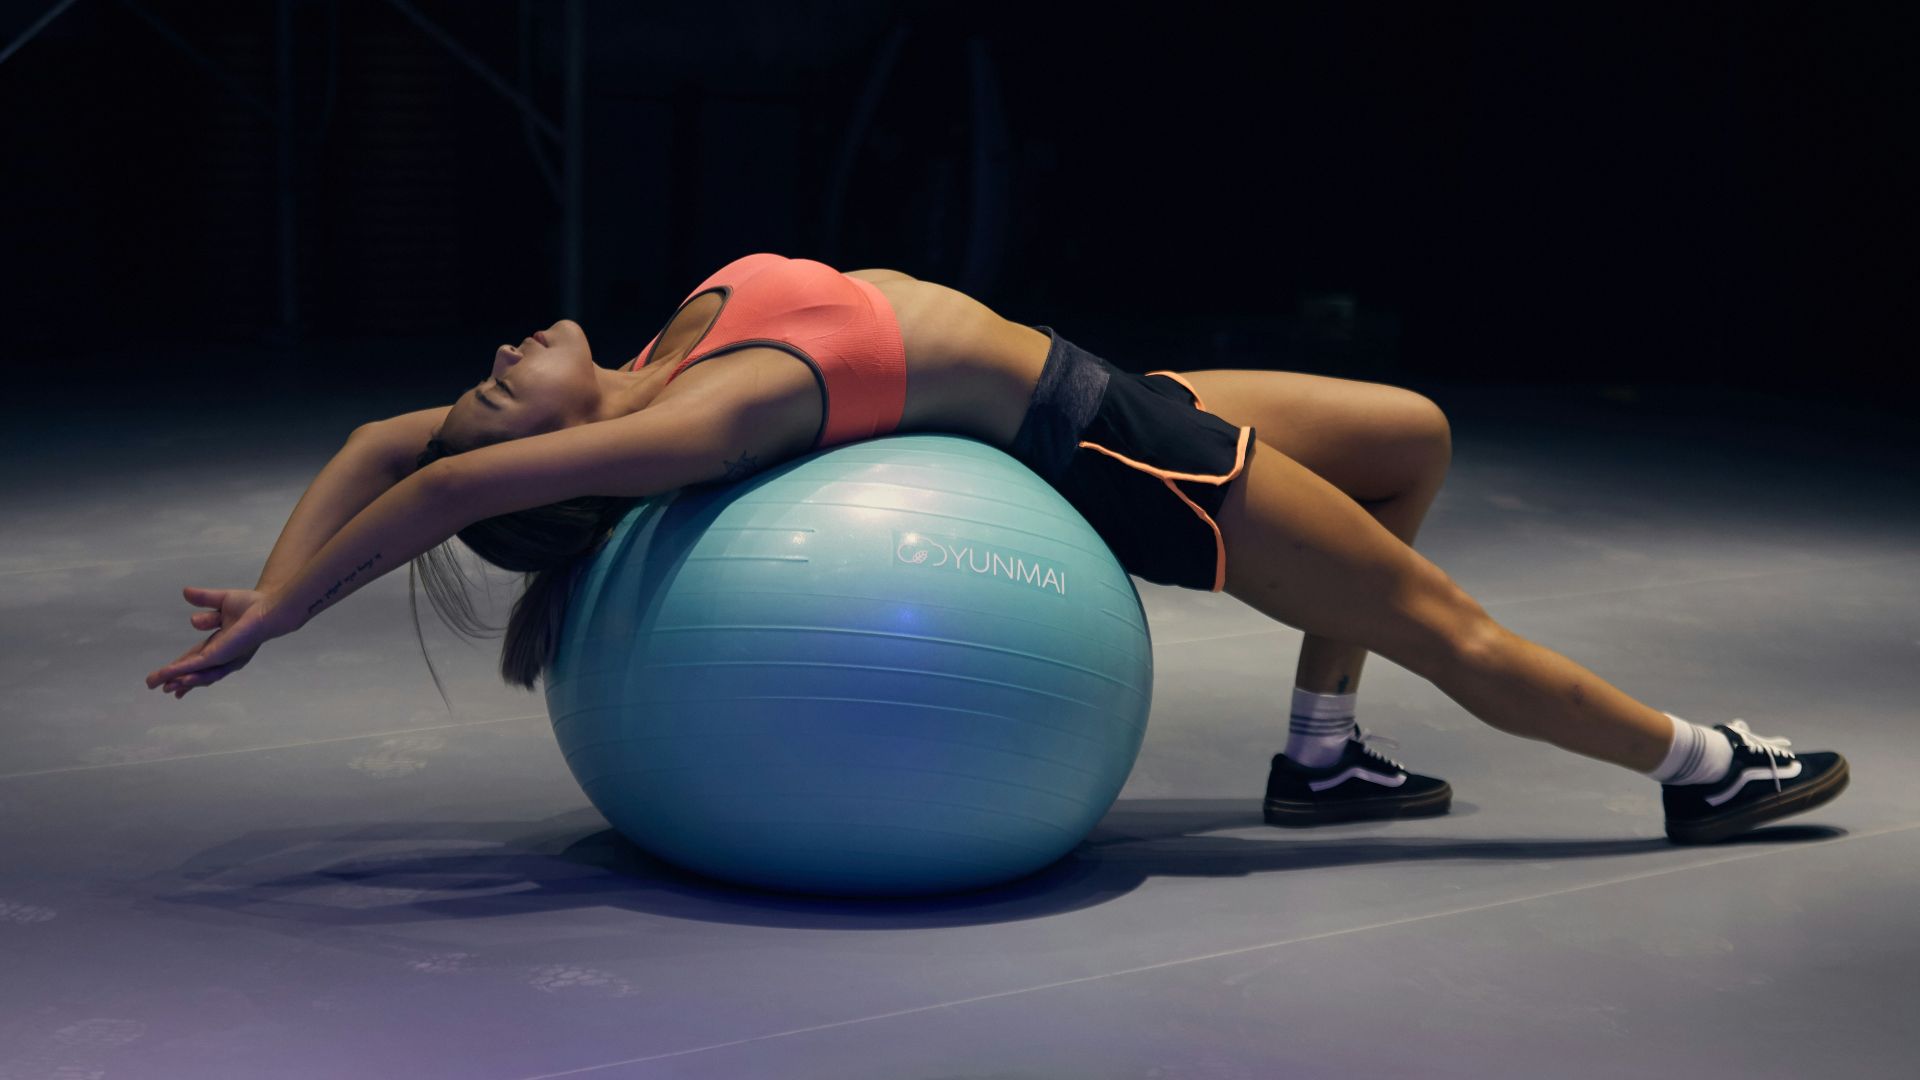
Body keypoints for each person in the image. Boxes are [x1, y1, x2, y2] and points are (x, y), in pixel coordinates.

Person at [144, 252, 1848, 845]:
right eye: (493, 394)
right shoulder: (676, 424)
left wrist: (281, 566)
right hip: (1113, 450)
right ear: (555, 459)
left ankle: (1321, 762)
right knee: (1444, 623)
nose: (493, 359)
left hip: (1095, 382)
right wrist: (285, 621)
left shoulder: (653, 363)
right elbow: (430, 490)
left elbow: (385, 448)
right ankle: (1697, 762)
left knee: (1412, 435)